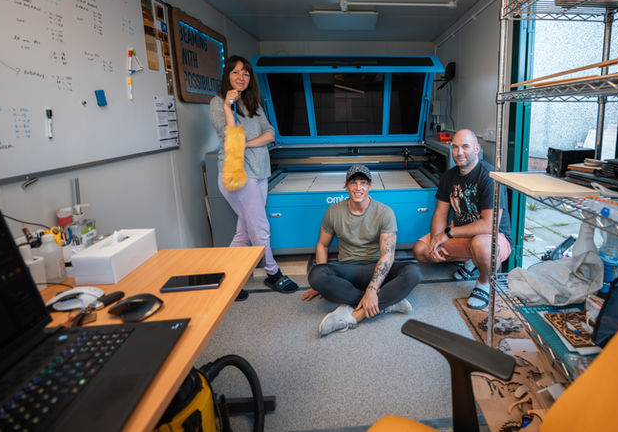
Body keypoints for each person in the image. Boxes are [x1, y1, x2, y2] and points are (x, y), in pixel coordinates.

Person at [209, 55, 298, 297]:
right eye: (236, 72)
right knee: (259, 226)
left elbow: (270, 134)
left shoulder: (253, 104)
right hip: (238, 174)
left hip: (260, 173)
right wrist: (228, 106)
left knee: (245, 231)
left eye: (246, 73)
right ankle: (273, 273)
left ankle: (227, 279)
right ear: (227, 75)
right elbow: (229, 135)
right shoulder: (218, 103)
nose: (241, 77)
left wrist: (246, 144)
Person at [302, 165, 422, 337]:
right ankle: (388, 302)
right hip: (348, 269)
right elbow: (322, 245)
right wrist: (320, 285)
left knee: (414, 272)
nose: (358, 188)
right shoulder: (333, 211)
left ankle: (356, 314)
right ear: (346, 185)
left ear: (370, 186)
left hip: (376, 267)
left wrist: (372, 290)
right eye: (353, 183)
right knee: (316, 275)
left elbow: (388, 255)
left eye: (363, 183)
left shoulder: (384, 212)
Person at [412, 129, 511, 309]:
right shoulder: (449, 177)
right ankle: (473, 260)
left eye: (465, 147)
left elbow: (489, 225)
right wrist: (436, 241)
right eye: (455, 147)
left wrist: (448, 233)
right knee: (420, 250)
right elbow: (440, 213)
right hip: (463, 235)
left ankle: (484, 282)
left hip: (492, 238)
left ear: (477, 148)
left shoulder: (489, 177)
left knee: (481, 246)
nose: (459, 153)